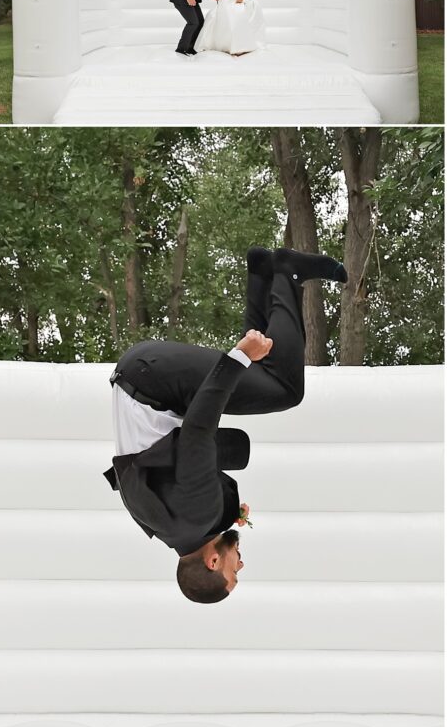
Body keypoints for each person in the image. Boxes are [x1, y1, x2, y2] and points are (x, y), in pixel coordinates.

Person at [103, 246, 348, 604]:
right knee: (263, 379)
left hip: (154, 380)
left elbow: (198, 430)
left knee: (284, 390)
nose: (241, 566)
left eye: (233, 573)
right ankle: (262, 274)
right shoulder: (175, 529)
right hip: (141, 380)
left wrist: (237, 358)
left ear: (214, 561)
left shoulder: (196, 515)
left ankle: (288, 274)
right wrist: (224, 514)